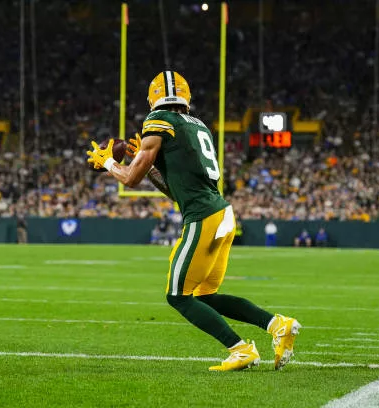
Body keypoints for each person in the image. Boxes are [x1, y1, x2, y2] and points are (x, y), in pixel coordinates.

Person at [87, 71, 301, 372]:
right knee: (205, 296)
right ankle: (278, 324)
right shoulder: (197, 125)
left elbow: (130, 179)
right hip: (222, 212)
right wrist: (151, 168)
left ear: (153, 98)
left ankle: (240, 349)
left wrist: (109, 163)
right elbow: (176, 190)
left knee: (177, 296)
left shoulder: (158, 120)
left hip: (203, 216)